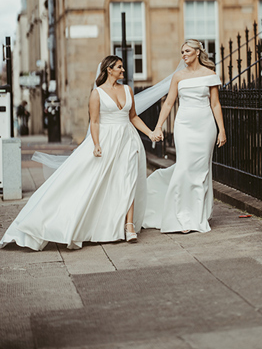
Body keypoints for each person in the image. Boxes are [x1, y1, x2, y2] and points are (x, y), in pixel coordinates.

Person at [1, 56, 155, 251]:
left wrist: (149, 133)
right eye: (119, 67)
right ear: (109, 69)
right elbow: (95, 121)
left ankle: (129, 225)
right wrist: (97, 143)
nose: (123, 70)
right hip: (107, 139)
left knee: (129, 178)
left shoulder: (127, 90)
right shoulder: (96, 93)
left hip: (128, 139)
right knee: (97, 181)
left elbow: (133, 116)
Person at [143, 39, 226, 234]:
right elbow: (169, 103)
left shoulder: (210, 75)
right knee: (184, 168)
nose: (184, 55)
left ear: (197, 52)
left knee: (201, 170)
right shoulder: (178, 76)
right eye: (182, 52)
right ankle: (181, 215)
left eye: (187, 51)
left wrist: (221, 129)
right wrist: (158, 126)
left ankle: (197, 216)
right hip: (184, 126)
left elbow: (215, 104)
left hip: (205, 125)